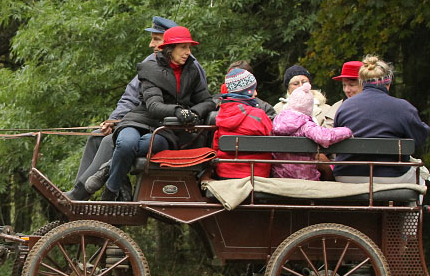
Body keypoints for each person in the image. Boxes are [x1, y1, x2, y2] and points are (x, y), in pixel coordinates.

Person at [65, 16, 207, 200]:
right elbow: (131, 97)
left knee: (114, 143)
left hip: (168, 126)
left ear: (169, 43)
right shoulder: (151, 63)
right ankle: (81, 192)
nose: (151, 44)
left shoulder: (191, 67)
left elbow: (199, 100)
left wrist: (188, 114)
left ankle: (90, 193)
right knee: (98, 136)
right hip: (144, 120)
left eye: (156, 39)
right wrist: (113, 121)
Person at [97, 25, 216, 200]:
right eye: (183, 47)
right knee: (126, 143)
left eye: (189, 47)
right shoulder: (150, 69)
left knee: (149, 145)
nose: (188, 52)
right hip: (141, 119)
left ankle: (109, 167)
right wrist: (178, 111)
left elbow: (208, 101)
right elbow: (153, 105)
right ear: (170, 49)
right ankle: (111, 191)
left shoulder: (192, 71)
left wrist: (192, 113)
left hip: (167, 128)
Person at [333, 55, 430, 184]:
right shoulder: (402, 107)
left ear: (362, 82)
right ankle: (410, 204)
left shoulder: (344, 107)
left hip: (346, 176)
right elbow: (419, 139)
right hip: (391, 176)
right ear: (388, 83)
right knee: (421, 176)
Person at [271, 82, 353, 180]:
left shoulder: (277, 121)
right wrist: (347, 131)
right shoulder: (305, 125)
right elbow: (325, 137)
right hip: (304, 178)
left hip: (280, 177)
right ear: (309, 107)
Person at [212, 68, 274, 178]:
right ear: (247, 91)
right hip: (257, 174)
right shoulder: (259, 116)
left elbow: (216, 145)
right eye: (253, 89)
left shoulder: (221, 115)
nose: (256, 93)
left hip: (225, 174)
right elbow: (270, 140)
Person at [327, 60, 363, 124]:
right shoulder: (336, 108)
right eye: (344, 85)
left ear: (364, 84)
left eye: (351, 85)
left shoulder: (377, 106)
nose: (346, 90)